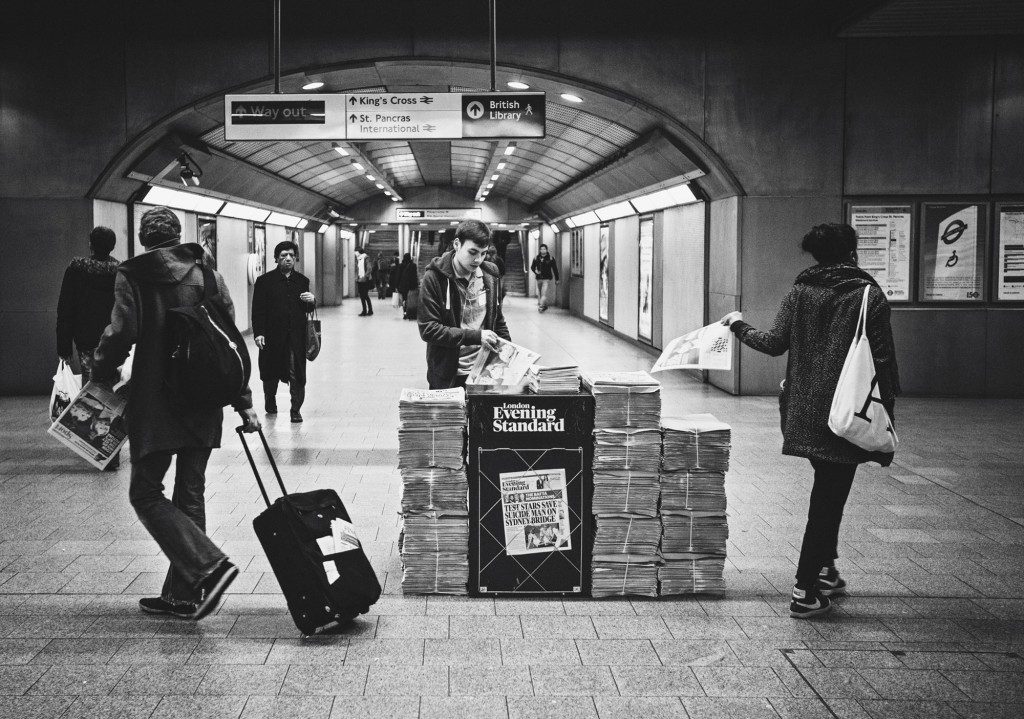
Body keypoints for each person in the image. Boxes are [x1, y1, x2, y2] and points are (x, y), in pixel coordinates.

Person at [720, 222, 899, 619]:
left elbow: (773, 343)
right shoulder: (867, 294)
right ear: (851, 251)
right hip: (846, 411)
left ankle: (826, 571)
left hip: (804, 410)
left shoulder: (801, 291)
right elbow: (883, 360)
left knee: (827, 489)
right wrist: (885, 412)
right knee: (828, 502)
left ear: (815, 254)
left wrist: (737, 325)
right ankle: (805, 591)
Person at [91, 206, 261, 620]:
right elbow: (227, 342)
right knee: (190, 492)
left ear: (143, 238)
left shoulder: (133, 276)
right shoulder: (207, 273)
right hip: (203, 399)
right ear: (178, 234)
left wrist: (99, 373)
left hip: (157, 400)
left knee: (145, 492)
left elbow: (121, 333)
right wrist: (243, 400)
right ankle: (184, 595)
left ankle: (208, 566)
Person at [418, 219, 510, 389]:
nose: (478, 259)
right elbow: (428, 329)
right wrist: (475, 336)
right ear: (457, 244)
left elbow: (497, 320)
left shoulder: (490, 274)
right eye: (472, 252)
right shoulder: (434, 278)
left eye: (483, 253)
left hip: (485, 372)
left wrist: (509, 354)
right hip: (447, 373)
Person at [251, 241, 315, 423]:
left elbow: (307, 309)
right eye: (283, 255)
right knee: (270, 372)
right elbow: (258, 310)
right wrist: (259, 333)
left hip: (295, 337)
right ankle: (270, 400)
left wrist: (312, 301)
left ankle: (296, 410)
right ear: (276, 258)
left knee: (296, 373)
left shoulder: (302, 281)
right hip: (271, 336)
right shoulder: (264, 281)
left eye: (291, 255)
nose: (288, 259)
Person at [57, 226, 120, 384]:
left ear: (90, 244)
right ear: (112, 246)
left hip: (86, 340)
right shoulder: (121, 273)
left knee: (91, 386)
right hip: (114, 340)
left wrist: (64, 347)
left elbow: (66, 309)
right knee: (113, 385)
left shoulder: (76, 271)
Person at [530, 243, 559, 312]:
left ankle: (541, 306)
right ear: (540, 250)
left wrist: (557, 279)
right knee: (541, 293)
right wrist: (535, 271)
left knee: (543, 292)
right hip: (539, 278)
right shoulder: (536, 258)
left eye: (544, 249)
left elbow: (555, 269)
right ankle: (544, 305)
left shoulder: (550, 258)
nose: (543, 250)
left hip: (546, 278)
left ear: (546, 250)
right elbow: (532, 267)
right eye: (541, 249)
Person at [396, 252, 418, 319]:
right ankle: (409, 312)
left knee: (404, 299)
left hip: (403, 286)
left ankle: (405, 312)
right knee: (410, 299)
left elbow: (398, 276)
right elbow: (414, 276)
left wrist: (397, 286)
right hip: (411, 286)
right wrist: (415, 285)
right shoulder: (413, 265)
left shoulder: (401, 265)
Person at [354, 247, 374, 316]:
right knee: (362, 296)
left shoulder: (366, 258)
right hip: (360, 279)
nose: (355, 253)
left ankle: (370, 310)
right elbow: (357, 269)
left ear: (359, 251)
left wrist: (365, 276)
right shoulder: (358, 259)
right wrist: (357, 277)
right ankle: (364, 310)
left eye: (355, 251)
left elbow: (369, 269)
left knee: (365, 295)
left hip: (365, 280)